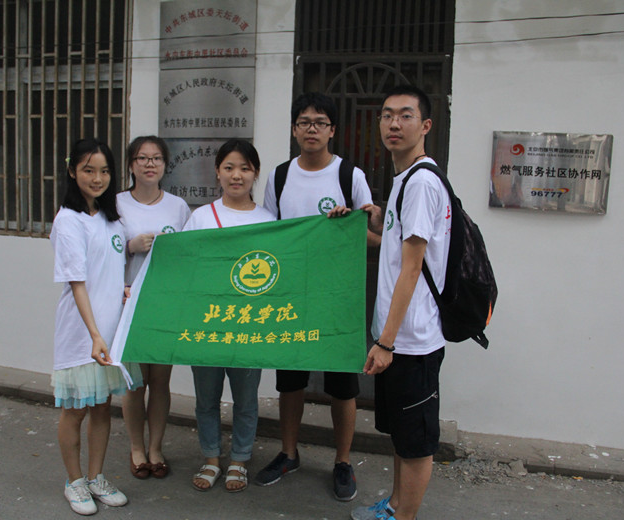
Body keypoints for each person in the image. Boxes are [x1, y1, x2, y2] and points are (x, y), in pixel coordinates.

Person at [256, 92, 377, 501]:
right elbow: (271, 235)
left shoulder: (349, 176)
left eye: (320, 122)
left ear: (332, 130)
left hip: (337, 297)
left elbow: (372, 236)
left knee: (342, 385)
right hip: (290, 296)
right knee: (290, 381)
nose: (312, 129)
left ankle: (343, 461)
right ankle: (289, 453)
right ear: (294, 130)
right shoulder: (279, 177)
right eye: (304, 122)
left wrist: (347, 226)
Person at [351, 85, 449, 520]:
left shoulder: (421, 182)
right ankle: (393, 506)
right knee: (402, 437)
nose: (394, 123)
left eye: (406, 115)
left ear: (425, 125)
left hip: (412, 341)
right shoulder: (405, 180)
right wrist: (368, 223)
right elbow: (394, 250)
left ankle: (403, 516)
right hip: (399, 339)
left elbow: (412, 269)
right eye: (387, 115)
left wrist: (386, 342)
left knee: (415, 443)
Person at [183, 139, 276, 493]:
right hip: (208, 324)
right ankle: (211, 457)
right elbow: (185, 267)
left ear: (255, 173)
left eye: (245, 168)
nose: (237, 175)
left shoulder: (268, 221)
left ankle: (239, 458)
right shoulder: (200, 217)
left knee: (246, 399)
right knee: (206, 398)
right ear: (218, 172)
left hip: (249, 326)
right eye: (229, 168)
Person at [49, 138, 129, 515]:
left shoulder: (111, 217)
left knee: (102, 406)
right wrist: (95, 335)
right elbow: (78, 282)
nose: (98, 178)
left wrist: (123, 291)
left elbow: (109, 269)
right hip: (83, 332)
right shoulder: (69, 220)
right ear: (72, 171)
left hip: (110, 331)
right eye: (88, 170)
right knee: (76, 409)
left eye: (105, 171)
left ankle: (96, 477)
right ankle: (74, 481)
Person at [118, 136, 190, 480]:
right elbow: (103, 251)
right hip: (128, 304)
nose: (150, 164)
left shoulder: (178, 206)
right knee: (135, 382)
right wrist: (129, 247)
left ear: (165, 164)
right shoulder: (116, 204)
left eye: (157, 158)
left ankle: (156, 448)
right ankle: (136, 448)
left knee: (161, 380)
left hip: (165, 304)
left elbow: (189, 254)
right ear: (131, 165)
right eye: (142, 158)